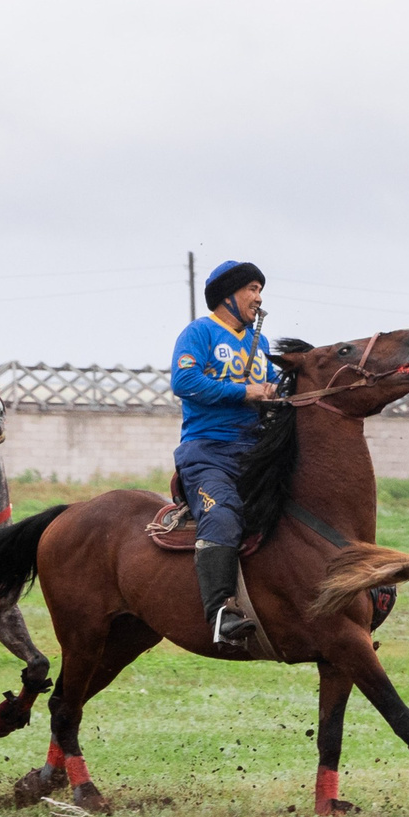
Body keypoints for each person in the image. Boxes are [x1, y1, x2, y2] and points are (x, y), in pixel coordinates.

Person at [171, 259, 275, 655]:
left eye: (260, 290)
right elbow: (184, 381)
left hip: (253, 452)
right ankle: (221, 615)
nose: (259, 297)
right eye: (252, 288)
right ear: (228, 295)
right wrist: (244, 392)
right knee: (223, 513)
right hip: (207, 453)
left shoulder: (260, 343)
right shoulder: (199, 332)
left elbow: (266, 390)